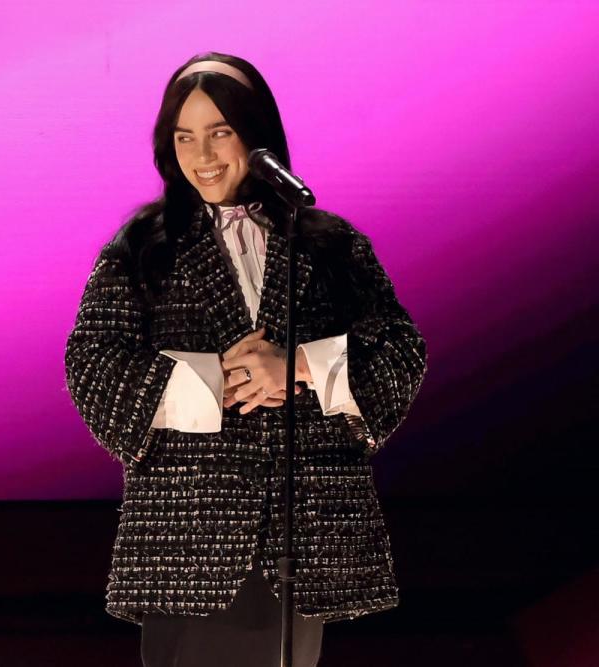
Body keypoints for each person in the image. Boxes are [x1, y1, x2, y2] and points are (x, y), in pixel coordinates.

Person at [64, 52, 427, 667]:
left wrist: (301, 366)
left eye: (220, 133)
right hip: (188, 540)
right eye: (185, 138)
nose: (202, 157)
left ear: (257, 137)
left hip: (305, 534)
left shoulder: (329, 245)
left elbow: (400, 349)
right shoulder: (143, 251)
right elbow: (93, 365)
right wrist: (215, 379)